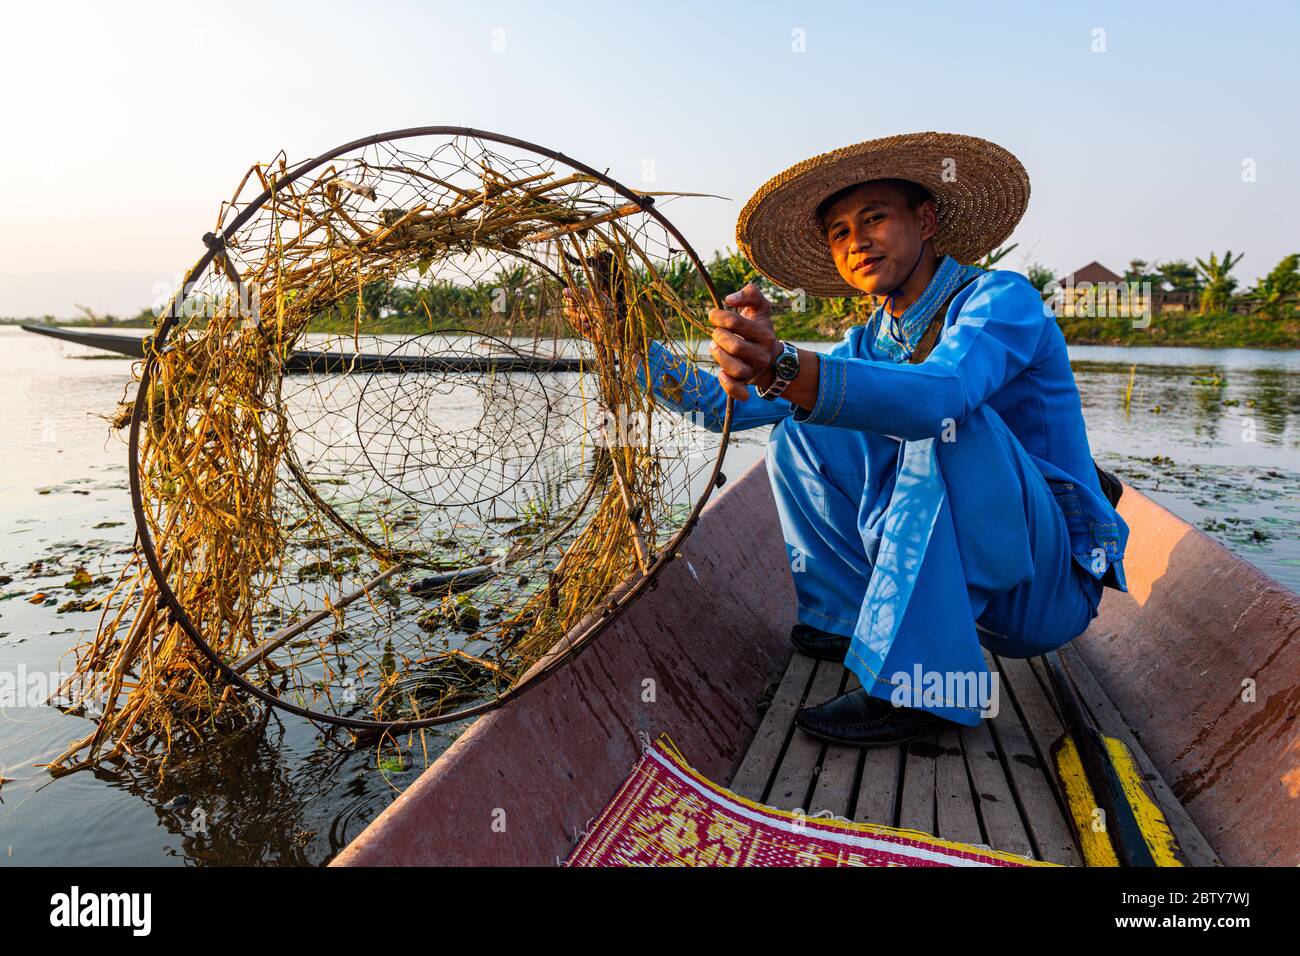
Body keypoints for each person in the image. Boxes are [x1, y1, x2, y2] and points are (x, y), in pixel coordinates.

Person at [564, 131, 1128, 747]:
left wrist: (786, 365)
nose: (856, 241)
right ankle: (846, 619)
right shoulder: (869, 343)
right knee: (797, 429)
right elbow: (718, 407)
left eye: (874, 218)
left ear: (927, 220)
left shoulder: (1002, 300)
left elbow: (943, 393)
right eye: (838, 232)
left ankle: (929, 688)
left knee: (941, 423)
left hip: (1041, 591)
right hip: (966, 585)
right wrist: (624, 337)